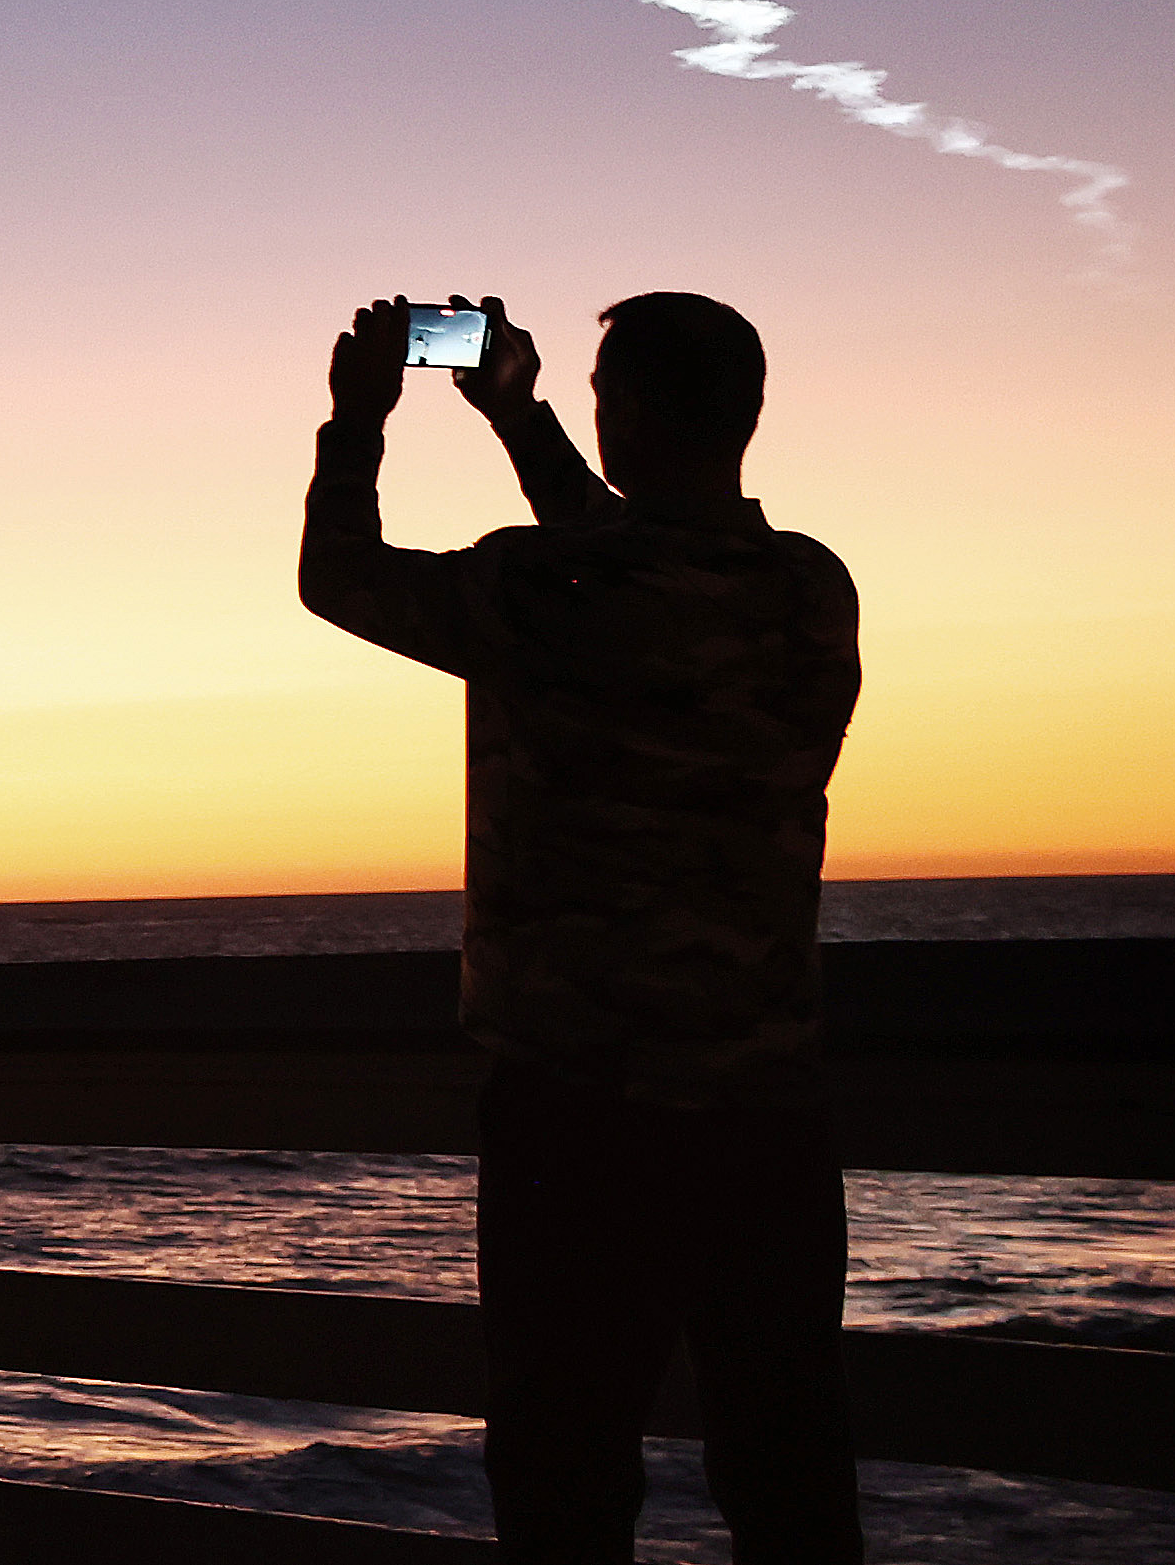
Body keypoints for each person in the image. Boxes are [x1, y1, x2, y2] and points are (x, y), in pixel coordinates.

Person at [302, 291, 865, 1565]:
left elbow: (336, 576)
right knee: (790, 1478)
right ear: (750, 412)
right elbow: (643, 561)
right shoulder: (806, 589)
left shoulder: (534, 585)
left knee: (565, 1479)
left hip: (580, 1120)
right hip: (767, 1116)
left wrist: (359, 420)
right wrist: (521, 418)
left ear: (619, 407)